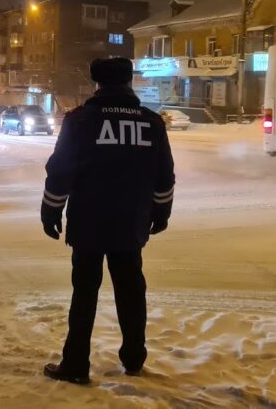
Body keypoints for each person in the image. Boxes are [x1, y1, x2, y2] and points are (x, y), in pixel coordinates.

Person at [40, 57, 175, 385]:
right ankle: (133, 360)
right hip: (131, 223)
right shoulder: (151, 123)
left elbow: (60, 171)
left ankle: (75, 364)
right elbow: (164, 177)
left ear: (96, 83)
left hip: (89, 221)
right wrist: (160, 212)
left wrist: (51, 210)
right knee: (131, 291)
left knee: (84, 292)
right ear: (128, 81)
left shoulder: (80, 121)